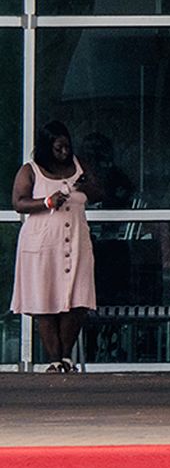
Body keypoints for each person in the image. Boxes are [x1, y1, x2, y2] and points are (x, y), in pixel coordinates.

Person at [10, 122, 98, 373]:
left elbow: (100, 191)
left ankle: (66, 356)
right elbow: (18, 202)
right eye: (58, 147)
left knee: (77, 299)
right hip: (42, 245)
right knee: (44, 299)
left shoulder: (79, 166)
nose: (64, 152)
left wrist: (84, 186)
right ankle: (54, 360)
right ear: (47, 147)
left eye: (67, 146)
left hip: (77, 242)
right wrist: (47, 201)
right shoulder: (31, 171)